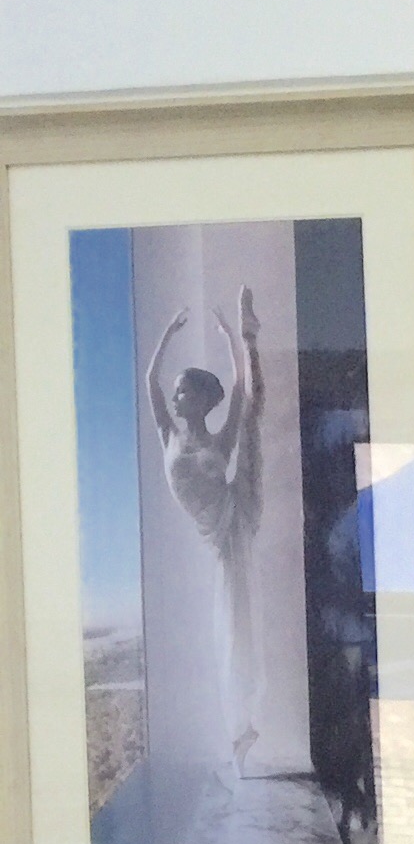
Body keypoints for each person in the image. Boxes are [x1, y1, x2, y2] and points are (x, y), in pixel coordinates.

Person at [146, 286, 268, 770]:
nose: (176, 396)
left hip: (237, 512)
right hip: (217, 536)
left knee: (252, 414)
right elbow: (151, 381)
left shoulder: (219, 441)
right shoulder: (168, 433)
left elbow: (238, 390)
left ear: (200, 399)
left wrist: (232, 339)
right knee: (232, 626)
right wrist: (168, 334)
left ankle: (252, 335)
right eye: (177, 390)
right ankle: (240, 730)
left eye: (184, 390)